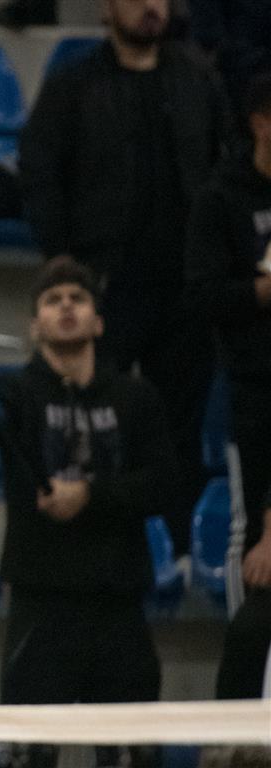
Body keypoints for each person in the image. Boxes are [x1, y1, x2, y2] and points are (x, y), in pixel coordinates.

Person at [0, 258, 178, 768]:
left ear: (98, 321)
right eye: (53, 300)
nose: (66, 306)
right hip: (40, 604)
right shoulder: (13, 393)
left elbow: (163, 484)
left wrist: (89, 495)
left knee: (134, 755)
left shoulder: (136, 397)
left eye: (78, 298)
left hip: (119, 605)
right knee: (27, 754)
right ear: (35, 326)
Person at [19, 0, 229, 553]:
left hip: (186, 288)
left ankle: (179, 552)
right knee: (91, 423)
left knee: (180, 429)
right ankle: (91, 547)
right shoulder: (73, 85)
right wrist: (64, 265)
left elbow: (226, 170)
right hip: (106, 287)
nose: (151, 6)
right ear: (108, 8)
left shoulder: (199, 81)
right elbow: (40, 172)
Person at [184, 72, 271, 701]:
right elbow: (205, 296)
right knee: (250, 526)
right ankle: (250, 655)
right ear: (260, 122)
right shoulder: (222, 197)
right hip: (254, 387)